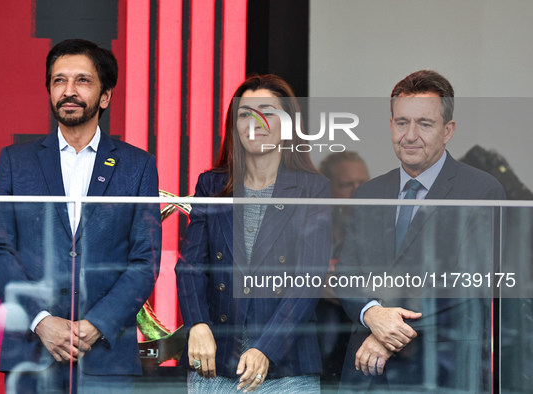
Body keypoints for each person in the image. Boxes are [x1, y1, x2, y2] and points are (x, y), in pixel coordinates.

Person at [0, 38, 161, 393]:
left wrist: (97, 324)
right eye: (59, 80)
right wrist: (42, 321)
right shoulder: (16, 162)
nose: (69, 91)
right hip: (32, 353)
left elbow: (146, 260)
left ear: (105, 95)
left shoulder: (138, 166)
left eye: (82, 80)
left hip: (106, 355)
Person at [335, 70, 505, 392]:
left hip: (440, 370)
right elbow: (347, 271)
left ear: (448, 130)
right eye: (402, 122)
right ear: (390, 126)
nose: (410, 135)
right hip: (368, 375)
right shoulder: (369, 193)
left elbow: (470, 283)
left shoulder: (481, 191)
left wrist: (387, 334)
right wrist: (371, 314)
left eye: (424, 124)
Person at [175, 74, 331, 393]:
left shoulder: (313, 189)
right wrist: (198, 325)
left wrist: (266, 349)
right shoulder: (212, 185)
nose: (254, 121)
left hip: (287, 366)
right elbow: (190, 266)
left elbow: (308, 279)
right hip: (214, 361)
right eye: (245, 113)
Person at [316, 152, 369, 381]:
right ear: (329, 191)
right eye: (347, 185)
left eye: (363, 183)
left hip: (368, 350)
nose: (357, 192)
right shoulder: (313, 232)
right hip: (321, 352)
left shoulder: (383, 230)